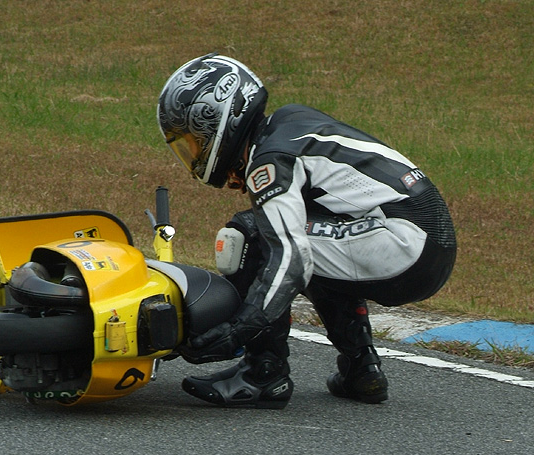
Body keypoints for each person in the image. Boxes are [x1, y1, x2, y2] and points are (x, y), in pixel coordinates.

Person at [157, 53, 457, 408]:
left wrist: (239, 329)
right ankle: (362, 370)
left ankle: (263, 374)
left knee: (250, 235)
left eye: (195, 141)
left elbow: (290, 260)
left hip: (401, 242)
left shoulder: (269, 160)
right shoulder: (290, 122)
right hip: (429, 241)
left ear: (221, 120)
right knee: (310, 236)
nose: (194, 153)